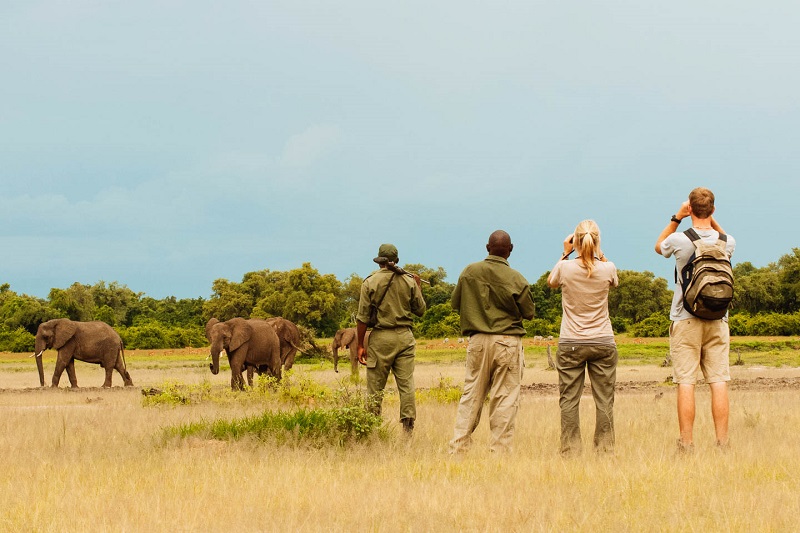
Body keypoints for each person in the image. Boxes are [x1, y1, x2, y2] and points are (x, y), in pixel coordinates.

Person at [655, 187, 735, 452]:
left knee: (686, 382)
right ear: (713, 210)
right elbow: (723, 236)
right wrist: (709, 218)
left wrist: (677, 217)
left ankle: (687, 443)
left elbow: (659, 246)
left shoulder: (679, 240)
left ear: (690, 208)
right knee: (718, 381)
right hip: (718, 319)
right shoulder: (727, 242)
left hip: (685, 317)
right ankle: (722, 443)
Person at [449, 230, 535, 453]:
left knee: (471, 395)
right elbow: (529, 313)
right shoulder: (517, 278)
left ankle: (458, 448)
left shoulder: (469, 271)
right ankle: (499, 452)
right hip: (507, 341)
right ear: (511, 250)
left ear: (487, 248)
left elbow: (455, 303)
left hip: (477, 340)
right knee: (505, 398)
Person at [547, 220, 618, 456]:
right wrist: (599, 252)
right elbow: (614, 281)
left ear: (575, 241)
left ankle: (570, 451)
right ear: (597, 241)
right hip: (603, 340)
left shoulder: (564, 268)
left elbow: (551, 282)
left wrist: (565, 253)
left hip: (571, 342)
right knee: (604, 400)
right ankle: (605, 451)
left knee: (569, 399)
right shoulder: (608, 268)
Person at [356, 243, 427, 433]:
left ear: (379, 260)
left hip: (381, 338)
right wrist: (418, 286)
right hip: (405, 337)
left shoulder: (370, 282)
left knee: (375, 387)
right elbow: (421, 310)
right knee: (406, 385)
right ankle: (408, 429)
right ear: (397, 260)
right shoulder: (409, 281)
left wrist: (360, 345)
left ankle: (371, 428)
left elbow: (362, 318)